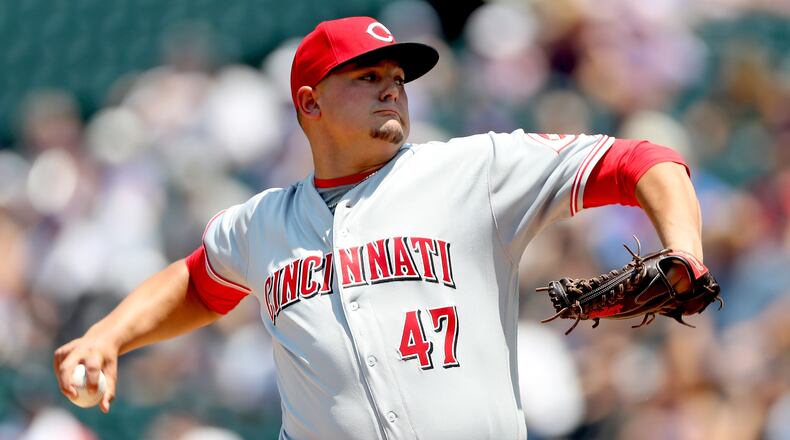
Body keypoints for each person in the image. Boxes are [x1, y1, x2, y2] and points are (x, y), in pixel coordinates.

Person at [54, 16, 705, 440]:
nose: (392, 90)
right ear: (308, 103)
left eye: (397, 78)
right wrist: (108, 337)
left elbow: (641, 161)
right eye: (367, 78)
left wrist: (684, 250)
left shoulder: (473, 170)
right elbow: (197, 285)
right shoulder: (261, 223)